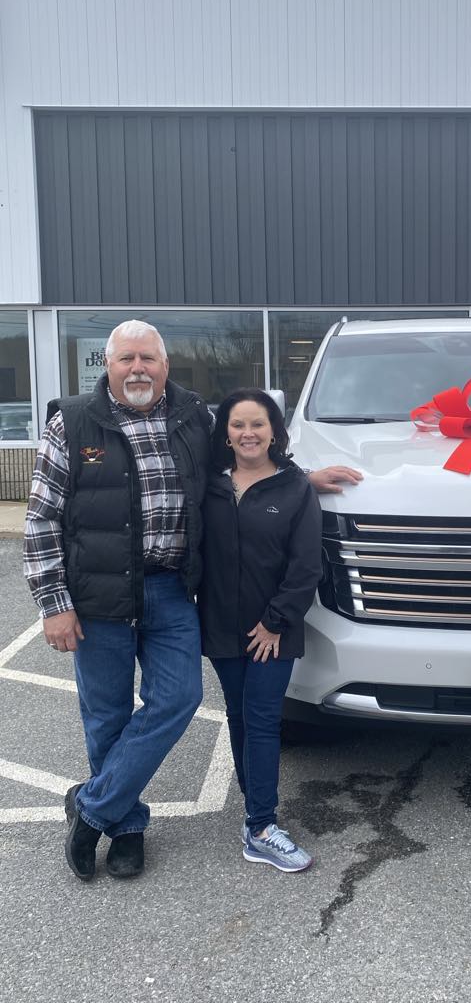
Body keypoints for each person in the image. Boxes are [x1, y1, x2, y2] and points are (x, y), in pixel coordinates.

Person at [23, 319, 361, 882]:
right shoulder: (72, 423)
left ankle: (90, 807)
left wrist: (302, 477)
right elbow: (40, 518)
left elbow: (249, 447)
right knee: (106, 715)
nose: (137, 369)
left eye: (147, 360)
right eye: (125, 359)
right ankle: (125, 826)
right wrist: (53, 601)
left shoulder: (193, 418)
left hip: (171, 588)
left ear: (165, 365)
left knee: (176, 700)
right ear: (106, 364)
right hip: (97, 597)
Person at [198, 389, 321, 872]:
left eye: (257, 424)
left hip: (273, 629)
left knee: (264, 718)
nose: (248, 434)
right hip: (221, 627)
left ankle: (262, 827)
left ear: (274, 430)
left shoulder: (294, 487)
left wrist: (275, 622)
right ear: (225, 434)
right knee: (239, 716)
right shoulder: (210, 485)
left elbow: (307, 565)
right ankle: (255, 808)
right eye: (237, 425)